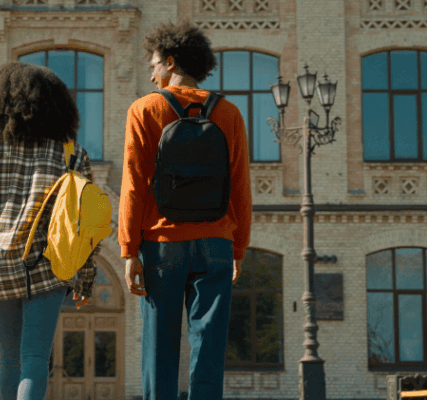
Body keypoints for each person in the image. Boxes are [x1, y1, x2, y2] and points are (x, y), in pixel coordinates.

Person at [120, 20, 252, 400]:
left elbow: (134, 184)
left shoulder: (144, 110)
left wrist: (129, 250)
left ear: (172, 61)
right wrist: (238, 247)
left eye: (154, 62)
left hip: (162, 242)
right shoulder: (228, 113)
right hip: (215, 243)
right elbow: (240, 187)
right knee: (209, 347)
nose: (151, 71)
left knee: (159, 346)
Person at [0, 62, 99, 400]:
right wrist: (85, 278)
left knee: (9, 359)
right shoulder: (70, 153)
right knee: (35, 359)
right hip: (47, 268)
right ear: (58, 106)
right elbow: (85, 226)